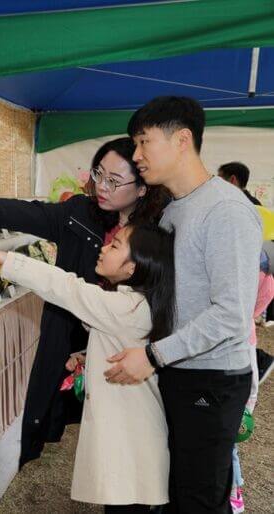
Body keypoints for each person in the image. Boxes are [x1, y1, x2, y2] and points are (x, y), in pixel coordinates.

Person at [0, 138, 170, 468]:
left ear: (142, 188)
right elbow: (29, 213)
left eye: (114, 181)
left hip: (124, 347)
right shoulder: (81, 213)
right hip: (70, 333)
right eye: (99, 174)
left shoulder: (156, 235)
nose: (102, 187)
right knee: (65, 408)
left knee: (120, 436)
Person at [104, 96, 261, 513]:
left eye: (143, 142)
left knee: (198, 499)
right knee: (175, 488)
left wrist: (154, 356)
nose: (136, 156)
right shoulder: (175, 211)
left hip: (210, 379)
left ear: (182, 140)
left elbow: (230, 315)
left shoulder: (225, 211)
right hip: (178, 368)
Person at [0, 223, 174, 513]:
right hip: (135, 436)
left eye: (115, 246)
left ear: (133, 268)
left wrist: (7, 259)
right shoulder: (139, 304)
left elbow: (68, 288)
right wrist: (89, 355)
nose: (104, 248)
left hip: (131, 440)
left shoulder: (125, 307)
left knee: (126, 506)